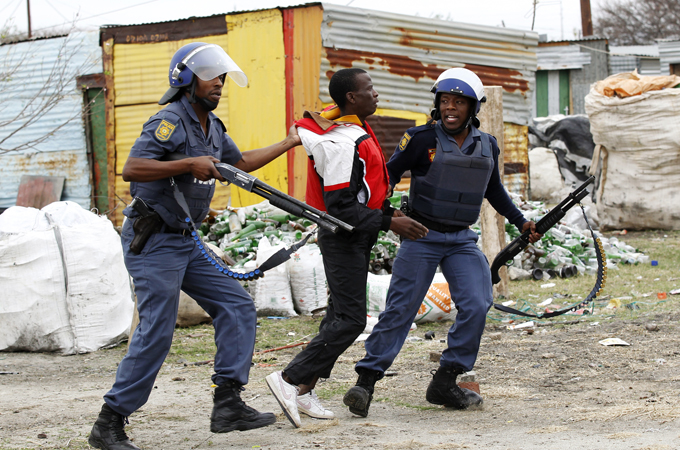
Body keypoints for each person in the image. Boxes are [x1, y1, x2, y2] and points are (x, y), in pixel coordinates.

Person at [88, 42, 301, 450]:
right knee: (157, 329)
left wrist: (289, 142)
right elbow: (132, 168)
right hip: (154, 240)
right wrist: (188, 163)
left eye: (221, 76)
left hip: (185, 242)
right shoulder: (169, 120)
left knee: (237, 306)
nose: (219, 83)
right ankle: (109, 422)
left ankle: (228, 405)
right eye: (210, 76)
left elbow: (240, 163)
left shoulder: (213, 127)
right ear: (186, 80)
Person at [342, 68, 542, 417]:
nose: (450, 107)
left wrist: (521, 221)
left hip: (461, 238)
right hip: (421, 235)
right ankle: (366, 381)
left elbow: (493, 189)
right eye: (445, 101)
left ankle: (446, 380)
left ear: (473, 107)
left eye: (459, 102)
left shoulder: (488, 145)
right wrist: (384, 213)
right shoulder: (421, 139)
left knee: (478, 304)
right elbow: (388, 175)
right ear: (437, 104)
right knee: (401, 309)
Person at [265, 68, 428, 428]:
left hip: (357, 236)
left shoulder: (354, 128)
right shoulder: (341, 142)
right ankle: (289, 379)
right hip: (341, 239)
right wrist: (388, 222)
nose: (376, 94)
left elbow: (363, 193)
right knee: (352, 320)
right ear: (352, 98)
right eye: (370, 89)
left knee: (338, 316)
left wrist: (389, 213)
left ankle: (304, 390)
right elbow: (340, 207)